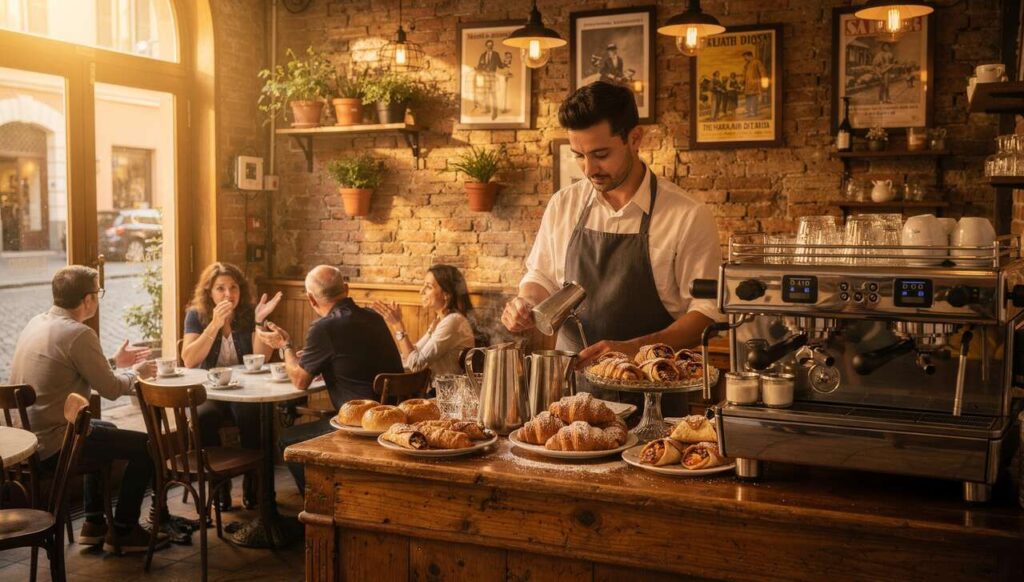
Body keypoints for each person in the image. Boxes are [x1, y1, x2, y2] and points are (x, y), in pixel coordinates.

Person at [500, 81, 722, 414]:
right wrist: (526, 302)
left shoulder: (687, 216)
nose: (589, 169)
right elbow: (541, 276)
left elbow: (707, 313)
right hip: (570, 400)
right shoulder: (564, 205)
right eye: (579, 156)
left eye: (601, 155)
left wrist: (634, 349)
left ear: (635, 138)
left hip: (654, 403)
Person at [9, 265, 167, 553]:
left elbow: (72, 366)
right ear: (88, 299)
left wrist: (114, 362)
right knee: (147, 445)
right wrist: (137, 371)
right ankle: (124, 531)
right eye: (98, 293)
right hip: (53, 446)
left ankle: (94, 523)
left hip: (28, 442)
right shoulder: (79, 333)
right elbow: (111, 389)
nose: (98, 298)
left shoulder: (38, 322)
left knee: (105, 429)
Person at [256, 265, 403, 492]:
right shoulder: (373, 318)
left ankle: (322, 502)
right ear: (346, 288)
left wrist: (285, 346)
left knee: (289, 440)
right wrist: (314, 358)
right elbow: (351, 358)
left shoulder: (324, 328)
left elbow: (300, 381)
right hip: (393, 417)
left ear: (311, 299)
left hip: (359, 427)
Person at [180, 262, 282, 509]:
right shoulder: (196, 314)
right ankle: (219, 489)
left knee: (253, 416)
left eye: (233, 287)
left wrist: (260, 322)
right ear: (209, 292)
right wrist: (214, 324)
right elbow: (189, 359)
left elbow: (261, 358)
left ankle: (254, 488)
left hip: (244, 390)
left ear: (240, 290)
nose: (228, 294)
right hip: (209, 392)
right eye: (220, 288)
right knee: (204, 418)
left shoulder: (249, 313)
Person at [371, 264, 476, 376]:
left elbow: (416, 364)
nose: (421, 291)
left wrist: (398, 325)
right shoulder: (440, 320)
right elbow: (414, 354)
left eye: (429, 287)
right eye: (423, 286)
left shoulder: (453, 321)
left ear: (446, 294)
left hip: (446, 387)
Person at [475, 39, 507, 120]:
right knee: (485, 93)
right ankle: (487, 109)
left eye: (491, 45)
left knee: (493, 94)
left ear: (492, 46)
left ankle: (495, 113)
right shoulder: (482, 55)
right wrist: (477, 69)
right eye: (488, 45)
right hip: (485, 76)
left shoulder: (496, 54)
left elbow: (500, 65)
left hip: (492, 76)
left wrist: (505, 64)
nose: (490, 46)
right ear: (486, 46)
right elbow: (479, 66)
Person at [742, 51, 767, 117]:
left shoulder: (757, 62)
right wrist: (743, 81)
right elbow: (744, 74)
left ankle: (753, 112)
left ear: (749, 56)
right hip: (747, 85)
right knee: (748, 98)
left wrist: (764, 82)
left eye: (745, 57)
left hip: (755, 84)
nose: (744, 58)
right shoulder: (746, 64)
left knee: (754, 98)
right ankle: (748, 112)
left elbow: (762, 72)